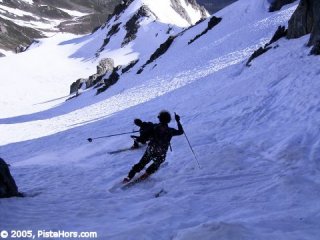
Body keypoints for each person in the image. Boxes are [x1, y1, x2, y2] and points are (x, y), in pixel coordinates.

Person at [123, 111, 184, 183]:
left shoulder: (154, 127)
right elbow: (181, 132)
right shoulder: (170, 131)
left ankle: (129, 176)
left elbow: (144, 137)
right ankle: (147, 173)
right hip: (161, 153)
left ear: (159, 119)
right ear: (169, 120)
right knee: (157, 163)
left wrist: (138, 139)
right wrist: (178, 121)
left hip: (151, 150)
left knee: (141, 163)